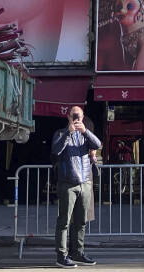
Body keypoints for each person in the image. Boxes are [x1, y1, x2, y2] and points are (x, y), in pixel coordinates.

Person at [51, 106, 102, 268]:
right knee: (64, 221)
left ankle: (78, 253)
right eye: (74, 116)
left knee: (81, 222)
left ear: (83, 116)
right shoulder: (60, 133)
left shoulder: (85, 135)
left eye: (78, 115)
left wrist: (85, 131)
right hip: (67, 183)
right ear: (68, 117)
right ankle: (61, 255)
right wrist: (69, 132)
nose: (76, 118)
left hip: (85, 182)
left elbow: (98, 144)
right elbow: (56, 151)